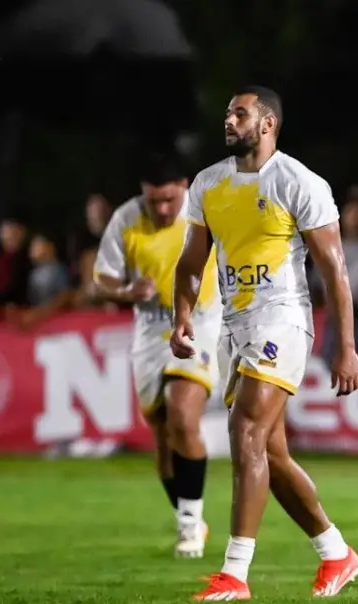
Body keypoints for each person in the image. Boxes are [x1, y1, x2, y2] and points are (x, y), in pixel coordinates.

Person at [172, 86, 358, 602]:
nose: (229, 121)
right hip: (235, 326)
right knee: (271, 454)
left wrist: (345, 346)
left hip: (282, 321)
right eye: (228, 112)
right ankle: (336, 552)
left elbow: (334, 270)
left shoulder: (299, 182)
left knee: (245, 430)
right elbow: (192, 261)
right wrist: (182, 314)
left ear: (268, 123)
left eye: (241, 113)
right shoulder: (209, 183)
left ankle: (235, 574)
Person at [92, 155, 222, 559]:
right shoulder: (127, 218)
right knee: (164, 439)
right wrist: (128, 292)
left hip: (200, 319)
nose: (162, 209)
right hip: (149, 329)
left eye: (168, 199)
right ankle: (192, 519)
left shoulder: (206, 210)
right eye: (154, 201)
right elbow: (103, 278)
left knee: (183, 413)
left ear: (184, 186)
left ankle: (188, 527)